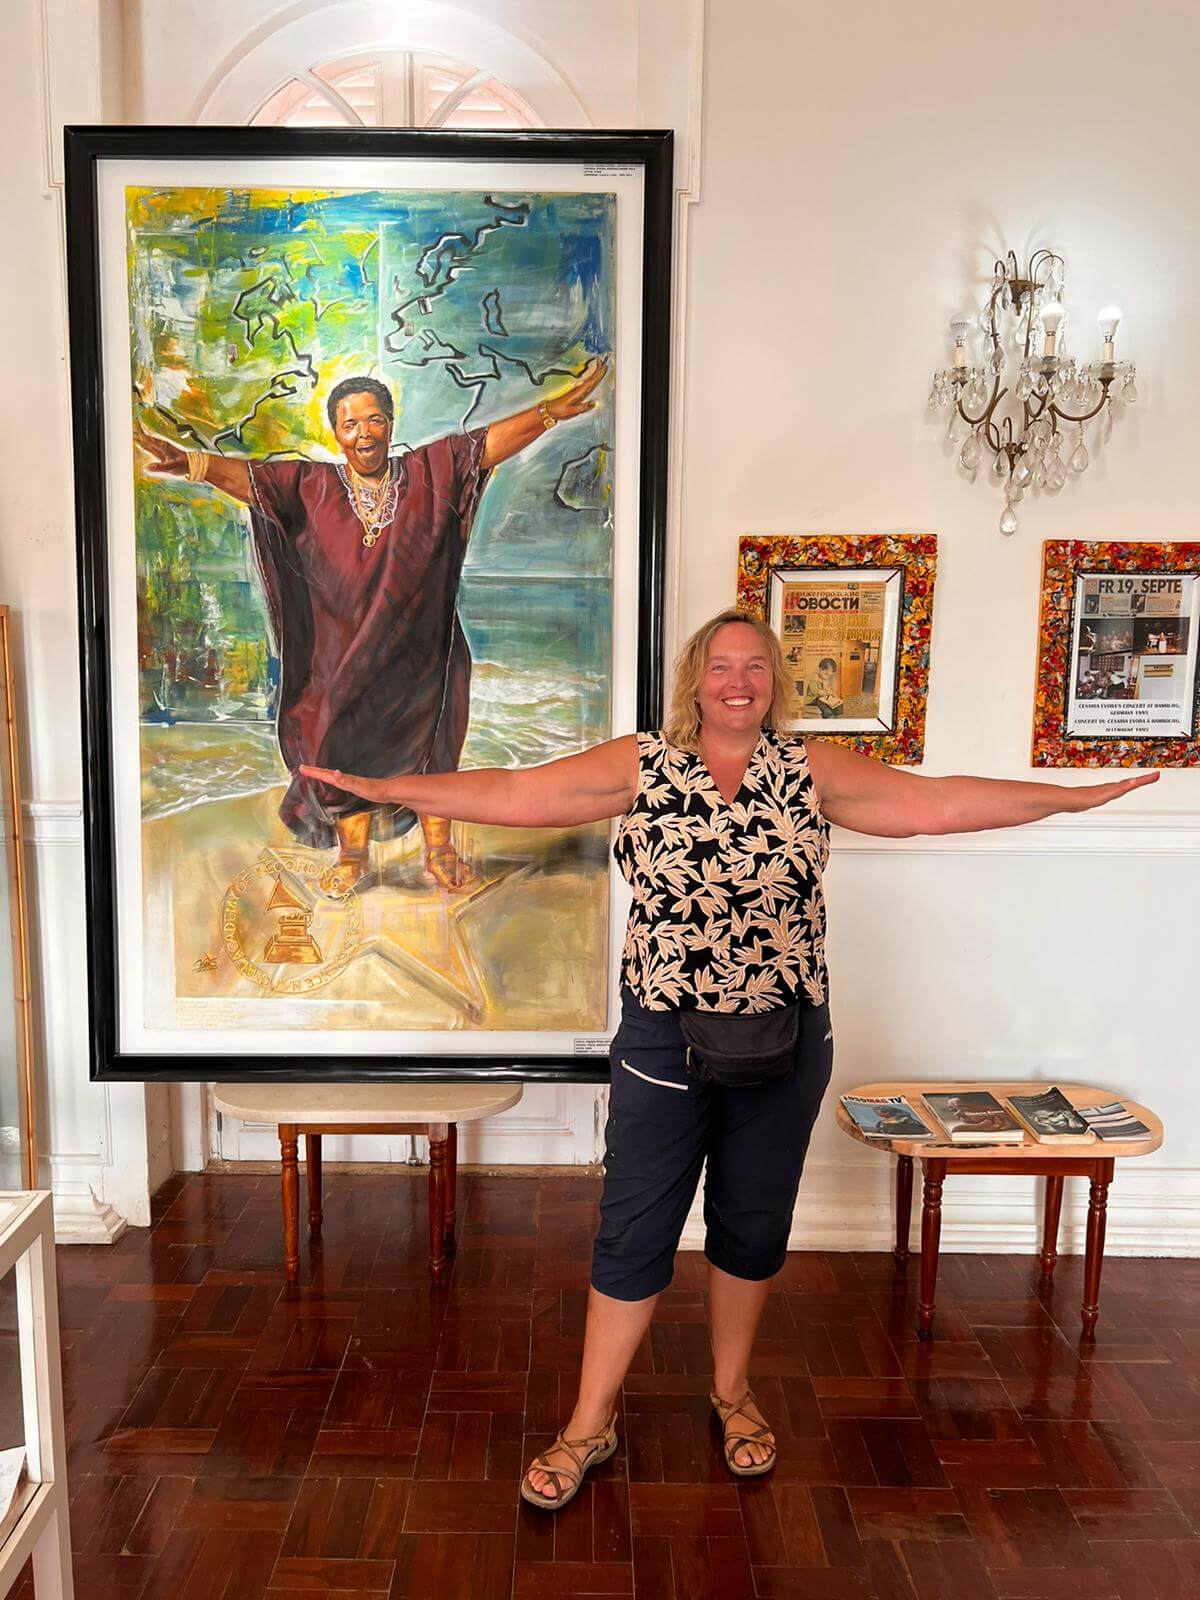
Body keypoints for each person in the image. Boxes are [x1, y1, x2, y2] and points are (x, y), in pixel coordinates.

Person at [299, 608, 1157, 1506]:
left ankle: (733, 1394)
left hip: (786, 1035)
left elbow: (936, 803)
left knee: (752, 1225)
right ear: (694, 681)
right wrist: (385, 787)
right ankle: (588, 1423)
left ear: (774, 680)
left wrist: (1070, 798)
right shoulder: (644, 764)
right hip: (664, 1035)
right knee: (635, 1228)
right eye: (720, 666)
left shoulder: (810, 769)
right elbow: (516, 792)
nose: (737, 682)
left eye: (754, 666)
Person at [136, 359, 606, 893]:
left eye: (374, 420)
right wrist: (194, 463)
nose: (364, 433)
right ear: (336, 433)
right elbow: (252, 480)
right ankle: (353, 857)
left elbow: (482, 448)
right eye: (351, 423)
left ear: (390, 423)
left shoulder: (428, 473)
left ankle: (440, 850)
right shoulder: (311, 486)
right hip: (343, 659)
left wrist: (547, 413)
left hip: (423, 655)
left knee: (433, 752)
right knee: (338, 747)